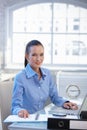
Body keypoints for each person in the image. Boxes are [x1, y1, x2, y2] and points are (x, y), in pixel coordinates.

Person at [11, 39, 78, 118]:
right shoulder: (20, 77)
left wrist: (65, 103)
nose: (39, 59)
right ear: (27, 56)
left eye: (41, 54)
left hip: (41, 118)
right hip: (26, 119)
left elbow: (55, 97)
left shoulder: (47, 74)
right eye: (34, 55)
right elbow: (15, 107)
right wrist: (19, 111)